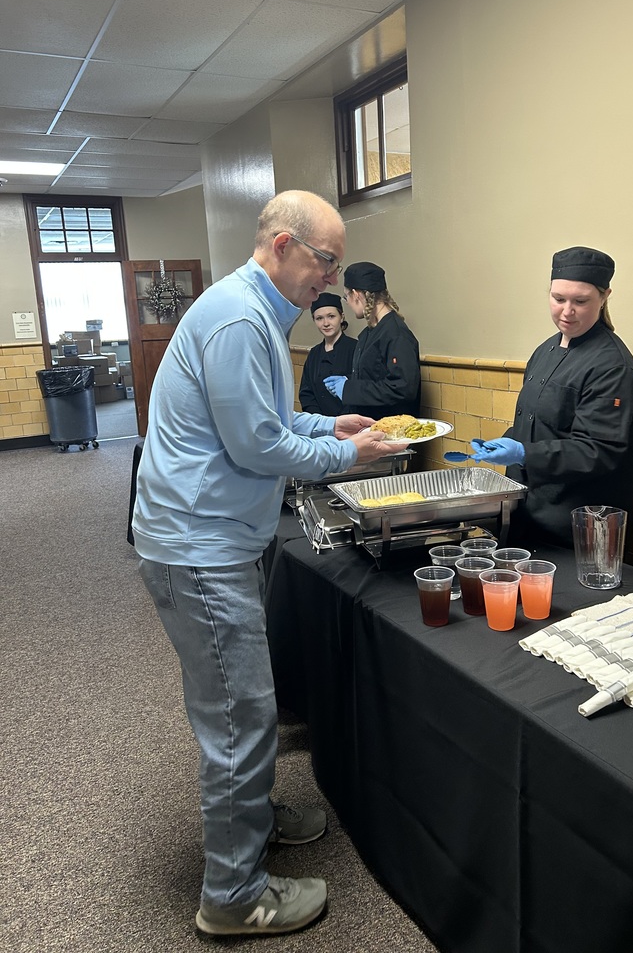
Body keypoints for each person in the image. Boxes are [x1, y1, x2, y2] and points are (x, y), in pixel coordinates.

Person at [131, 190, 406, 937]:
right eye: (327, 261)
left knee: (241, 703)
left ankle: (249, 818)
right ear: (284, 245)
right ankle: (233, 895)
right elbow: (257, 446)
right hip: (198, 546)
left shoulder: (253, 309)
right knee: (239, 716)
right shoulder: (238, 319)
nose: (332, 279)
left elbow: (270, 418)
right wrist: (348, 455)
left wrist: (330, 424)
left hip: (215, 536)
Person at [467, 246, 633, 547]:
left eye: (581, 301)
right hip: (527, 513)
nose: (567, 311)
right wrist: (507, 441)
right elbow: (542, 425)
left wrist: (523, 453)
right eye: (558, 299)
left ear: (605, 296)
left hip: (578, 525)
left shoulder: (612, 367)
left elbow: (597, 451)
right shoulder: (544, 351)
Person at [323, 261, 421, 419]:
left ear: (356, 295)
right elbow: (375, 375)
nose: (347, 303)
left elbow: (402, 389)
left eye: (346, 297)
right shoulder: (371, 332)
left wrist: (348, 389)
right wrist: (348, 381)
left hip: (391, 428)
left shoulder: (396, 334)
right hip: (370, 425)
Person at [298, 291, 357, 416]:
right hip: (320, 423)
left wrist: (340, 422)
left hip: (350, 422)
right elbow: (306, 393)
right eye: (319, 318)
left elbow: (360, 390)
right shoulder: (314, 354)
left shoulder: (356, 348)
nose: (326, 323)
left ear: (342, 317)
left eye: (331, 316)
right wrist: (319, 421)